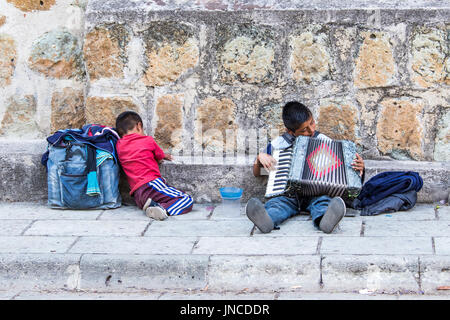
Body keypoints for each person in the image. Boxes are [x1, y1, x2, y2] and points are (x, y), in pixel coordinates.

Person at [246, 101, 365, 233]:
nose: (311, 130)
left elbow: (345, 173)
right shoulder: (278, 145)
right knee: (277, 205)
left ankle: (326, 220)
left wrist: (358, 168)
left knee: (323, 203)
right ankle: (266, 220)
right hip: (289, 195)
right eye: (304, 130)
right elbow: (258, 173)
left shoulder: (324, 141)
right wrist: (259, 158)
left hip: (317, 193)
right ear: (290, 132)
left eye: (312, 123)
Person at [115, 111, 193, 220]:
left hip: (138, 195)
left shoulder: (119, 145)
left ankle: (153, 206)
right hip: (151, 185)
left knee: (165, 197)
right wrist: (164, 156)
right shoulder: (147, 140)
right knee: (186, 199)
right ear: (139, 126)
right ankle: (162, 209)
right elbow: (160, 156)